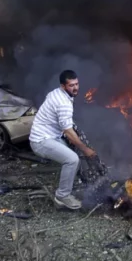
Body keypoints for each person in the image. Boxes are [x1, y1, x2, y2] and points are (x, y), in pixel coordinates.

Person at [29, 70, 97, 210]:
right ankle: (62, 196)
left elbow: (64, 125)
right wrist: (86, 149)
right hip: (41, 141)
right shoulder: (63, 102)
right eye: (71, 85)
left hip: (51, 136)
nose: (76, 88)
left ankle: (67, 186)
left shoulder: (56, 93)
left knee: (74, 158)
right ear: (63, 86)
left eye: (77, 84)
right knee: (72, 159)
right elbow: (67, 130)